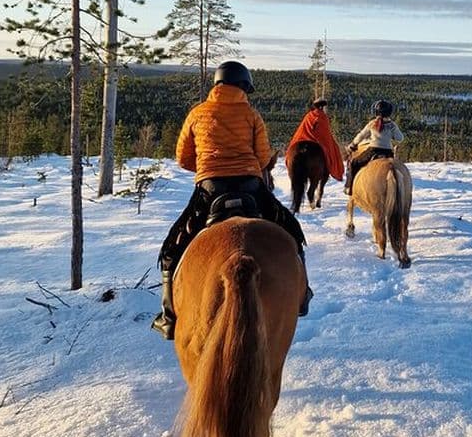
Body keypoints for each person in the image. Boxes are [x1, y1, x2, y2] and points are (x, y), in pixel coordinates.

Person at [152, 60, 313, 340]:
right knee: (292, 232)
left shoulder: (197, 113)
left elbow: (183, 158)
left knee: (172, 247)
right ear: (243, 87)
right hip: (251, 186)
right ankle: (302, 294)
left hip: (210, 189)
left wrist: (208, 166)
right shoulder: (251, 115)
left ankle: (168, 314)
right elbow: (263, 157)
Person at [343, 99, 404, 195]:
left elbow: (361, 135)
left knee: (354, 163)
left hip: (373, 150)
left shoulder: (372, 123)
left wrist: (353, 144)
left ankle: (350, 188)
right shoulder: (392, 125)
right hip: (388, 152)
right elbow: (400, 138)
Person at [286, 98, 344, 181]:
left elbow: (302, 129)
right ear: (323, 107)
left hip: (304, 137)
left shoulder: (308, 115)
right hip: (318, 141)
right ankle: (328, 169)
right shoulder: (323, 117)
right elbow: (325, 134)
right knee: (331, 150)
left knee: (291, 149)